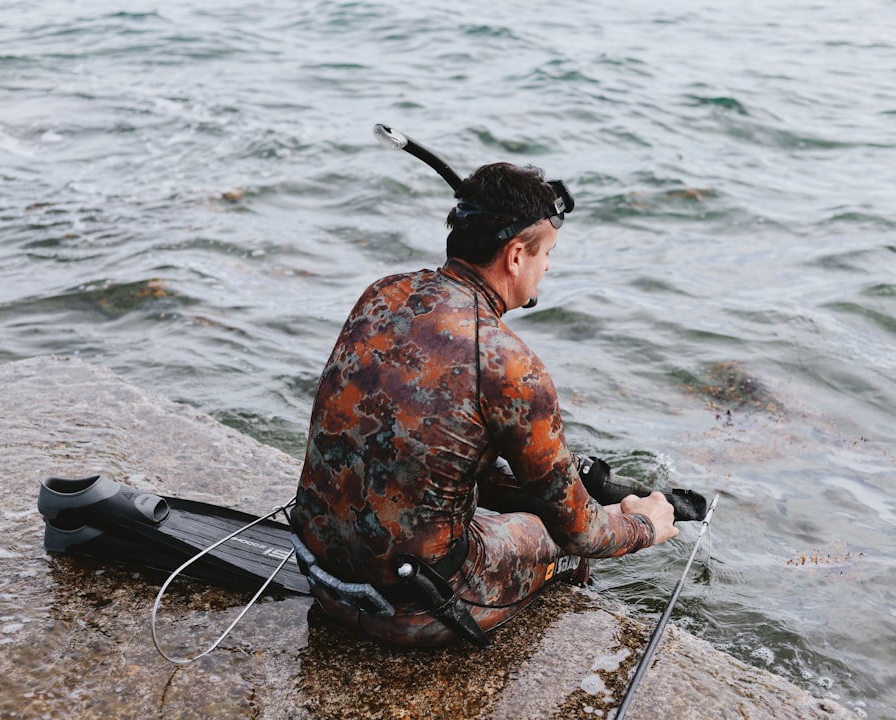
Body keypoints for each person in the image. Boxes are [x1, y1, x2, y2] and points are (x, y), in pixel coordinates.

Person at [290, 161, 678, 647]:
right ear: (516, 255)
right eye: (548, 254)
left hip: (321, 576)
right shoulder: (509, 362)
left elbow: (433, 452)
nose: (549, 267)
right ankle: (577, 608)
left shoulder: (381, 293)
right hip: (415, 609)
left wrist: (574, 484)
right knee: (555, 538)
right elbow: (582, 532)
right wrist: (644, 524)